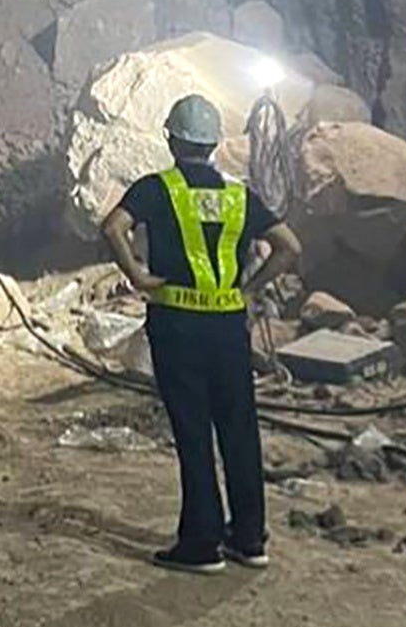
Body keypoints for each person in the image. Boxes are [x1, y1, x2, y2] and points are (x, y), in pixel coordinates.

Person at [100, 93, 301, 574]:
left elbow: (113, 228)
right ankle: (250, 539)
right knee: (239, 429)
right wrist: (249, 289)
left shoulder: (157, 189)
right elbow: (289, 247)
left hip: (178, 326)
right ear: (212, 144)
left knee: (193, 432)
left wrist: (139, 275)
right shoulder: (238, 194)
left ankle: (201, 543)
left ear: (172, 139)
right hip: (229, 329)